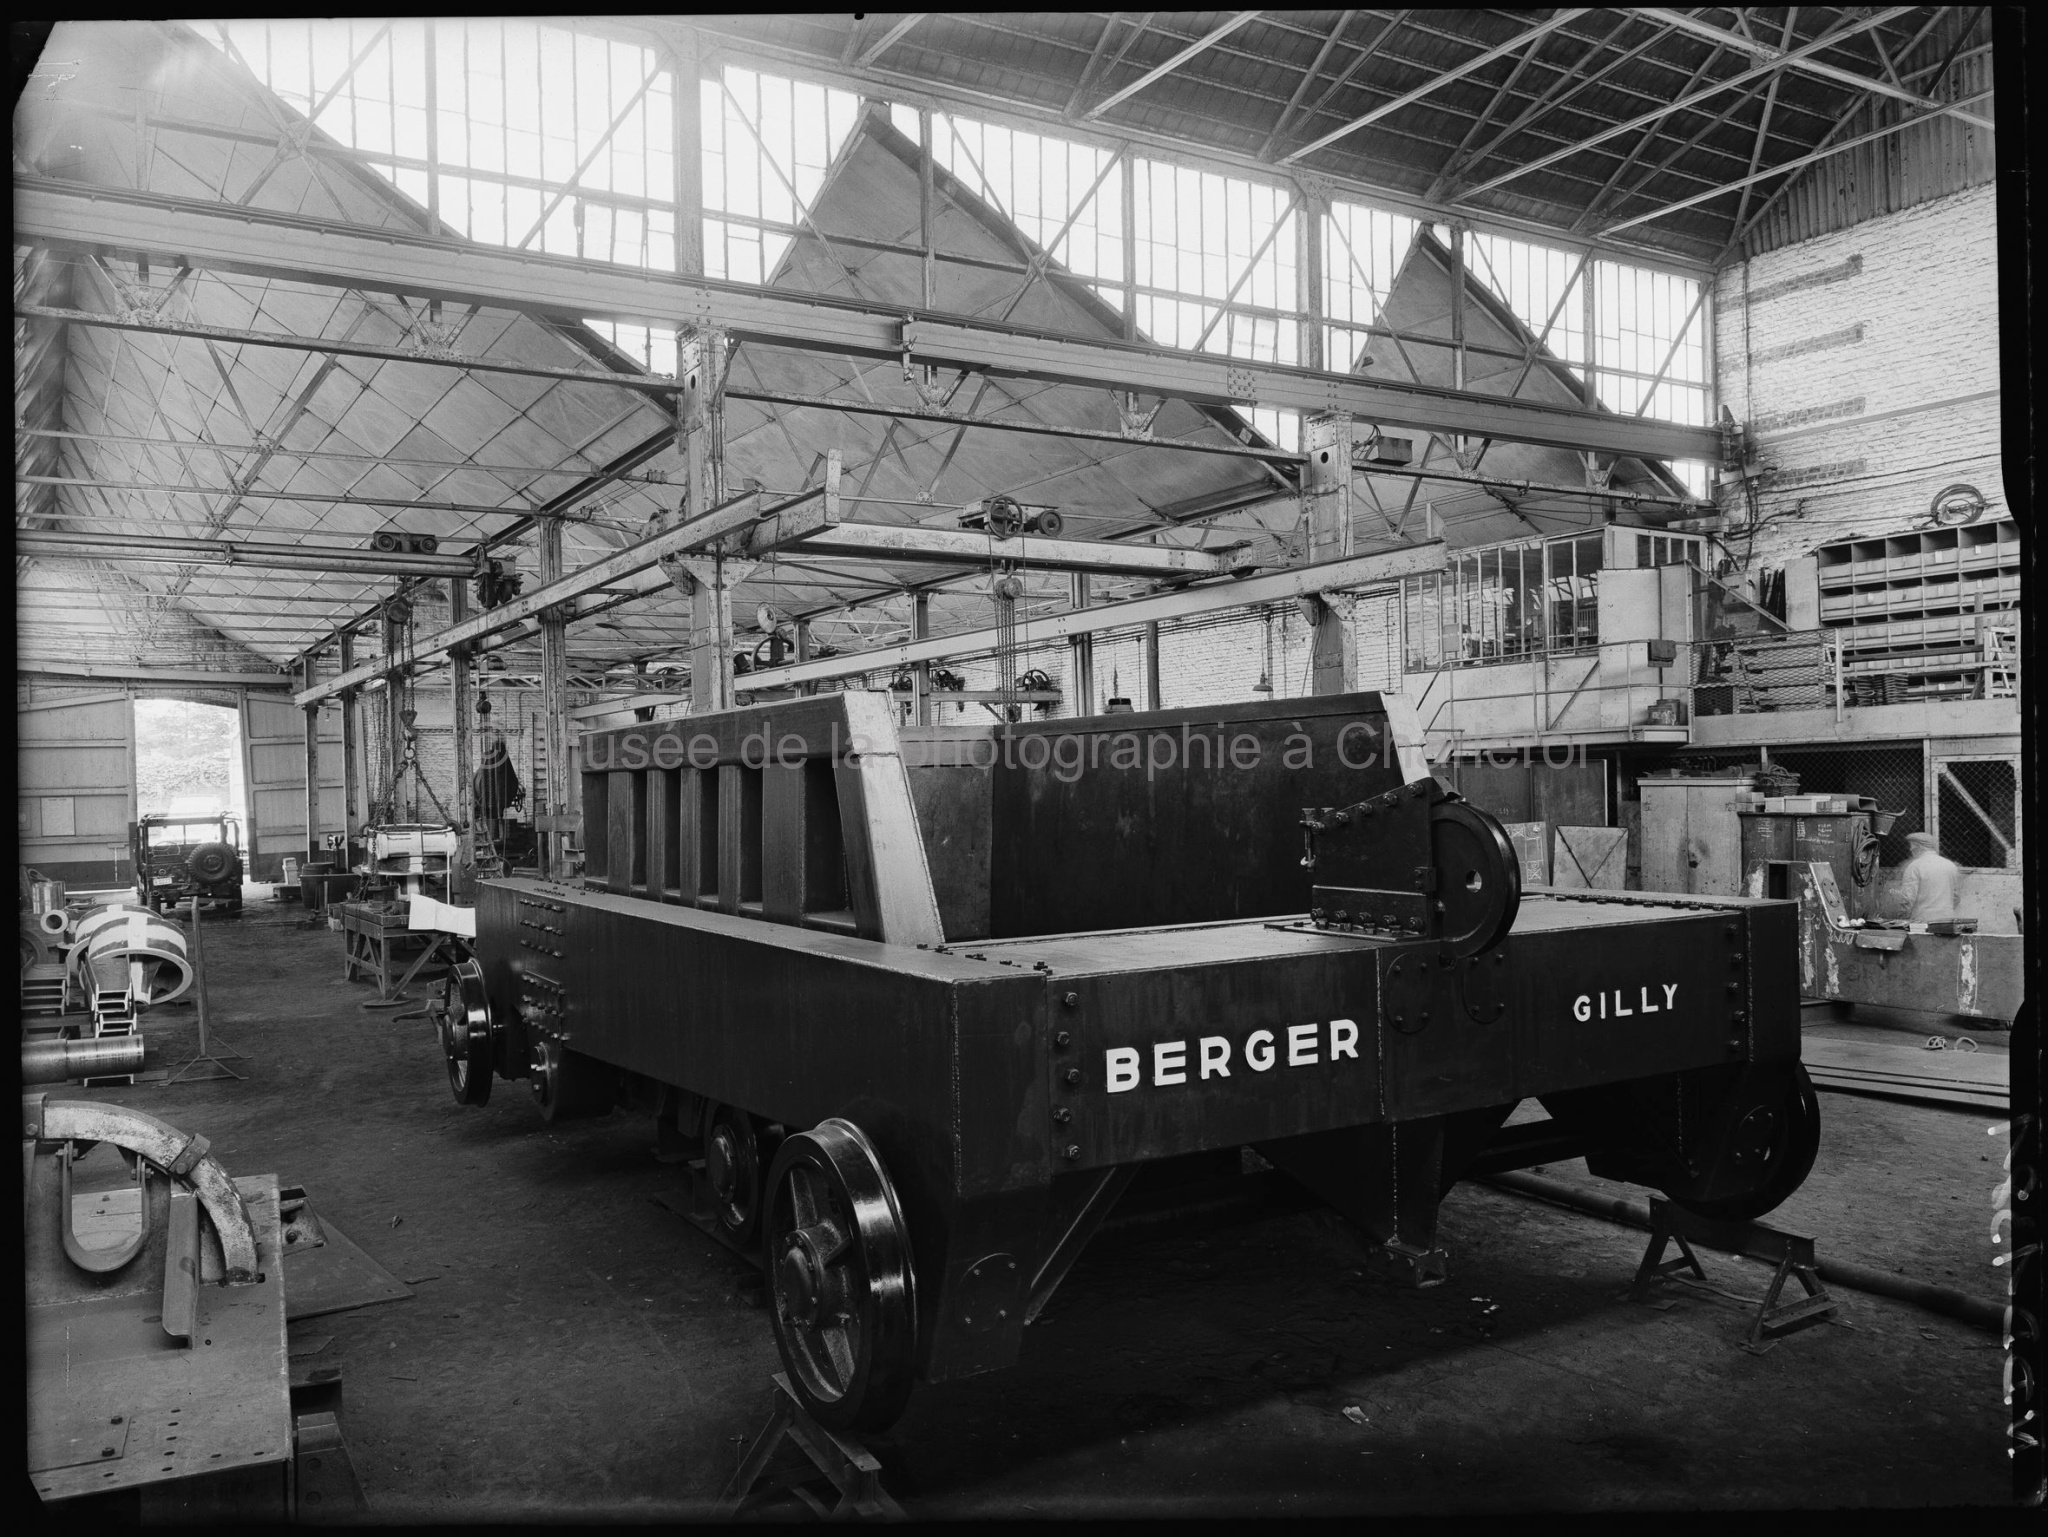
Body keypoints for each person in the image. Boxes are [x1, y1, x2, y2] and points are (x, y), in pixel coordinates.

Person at [1891, 830, 1961, 923]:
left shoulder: (1915, 866)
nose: (1910, 849)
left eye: (1911, 845)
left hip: (1923, 920)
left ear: (1918, 846)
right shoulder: (1951, 866)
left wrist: (1902, 919)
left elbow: (1908, 898)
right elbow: (1956, 897)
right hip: (1948, 920)